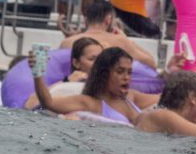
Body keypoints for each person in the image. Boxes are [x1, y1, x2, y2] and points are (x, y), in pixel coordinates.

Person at [30, 47, 160, 124]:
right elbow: (49, 102)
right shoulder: (91, 103)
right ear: (104, 74)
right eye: (120, 72)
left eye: (129, 72)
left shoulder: (131, 97)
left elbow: (162, 99)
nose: (127, 77)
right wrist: (37, 72)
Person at [60, 0, 157, 70]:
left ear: (86, 20)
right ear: (108, 20)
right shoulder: (119, 41)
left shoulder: (67, 42)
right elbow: (151, 64)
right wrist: (128, 41)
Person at [23, 37, 103, 110]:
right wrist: (66, 81)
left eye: (101, 58)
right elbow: (30, 105)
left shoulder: (109, 86)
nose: (99, 63)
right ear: (76, 63)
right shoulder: (67, 86)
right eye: (92, 59)